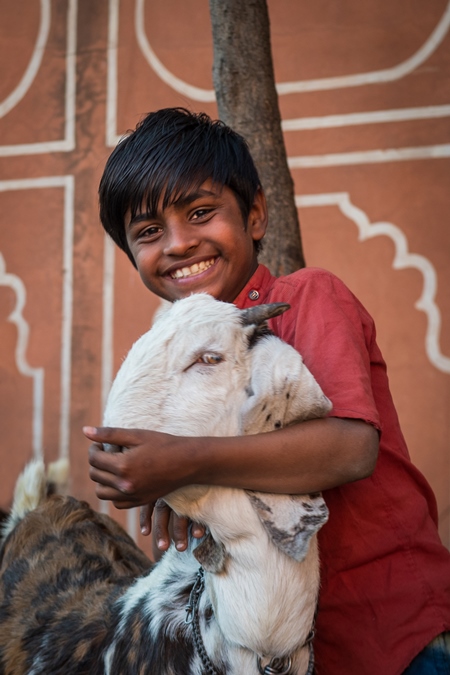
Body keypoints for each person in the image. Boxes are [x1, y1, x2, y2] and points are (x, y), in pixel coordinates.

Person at [84, 107, 450, 674]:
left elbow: (351, 448)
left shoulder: (310, 298)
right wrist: (171, 488)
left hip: (394, 627)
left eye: (200, 212)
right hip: (275, 647)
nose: (178, 244)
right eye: (149, 232)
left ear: (255, 215)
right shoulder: (171, 360)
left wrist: (186, 462)